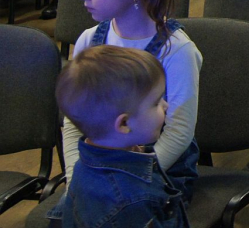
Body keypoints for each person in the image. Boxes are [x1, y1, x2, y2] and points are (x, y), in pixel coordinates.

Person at [57, 0, 201, 220]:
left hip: (156, 175)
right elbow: (73, 122)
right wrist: (76, 178)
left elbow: (179, 132)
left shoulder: (177, 50)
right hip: (96, 173)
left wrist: (130, 178)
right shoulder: (89, 41)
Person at [54, 46, 188, 228]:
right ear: (124, 123)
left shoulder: (87, 162)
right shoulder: (130, 202)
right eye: (156, 102)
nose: (166, 106)